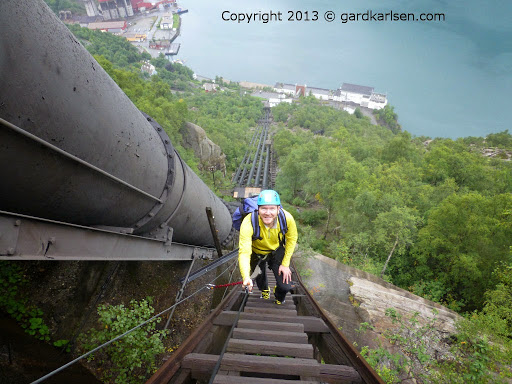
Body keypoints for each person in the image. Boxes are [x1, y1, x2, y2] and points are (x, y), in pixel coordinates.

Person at [238, 190, 298, 304]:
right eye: (264, 208)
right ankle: (265, 290)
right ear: (258, 209)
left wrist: (285, 264)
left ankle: (279, 294)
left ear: (278, 209)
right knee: (259, 276)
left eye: (272, 209)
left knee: (285, 286)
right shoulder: (249, 222)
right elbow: (244, 252)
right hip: (256, 253)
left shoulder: (287, 219)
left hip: (276, 251)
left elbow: (291, 239)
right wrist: (246, 277)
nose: (267, 213)